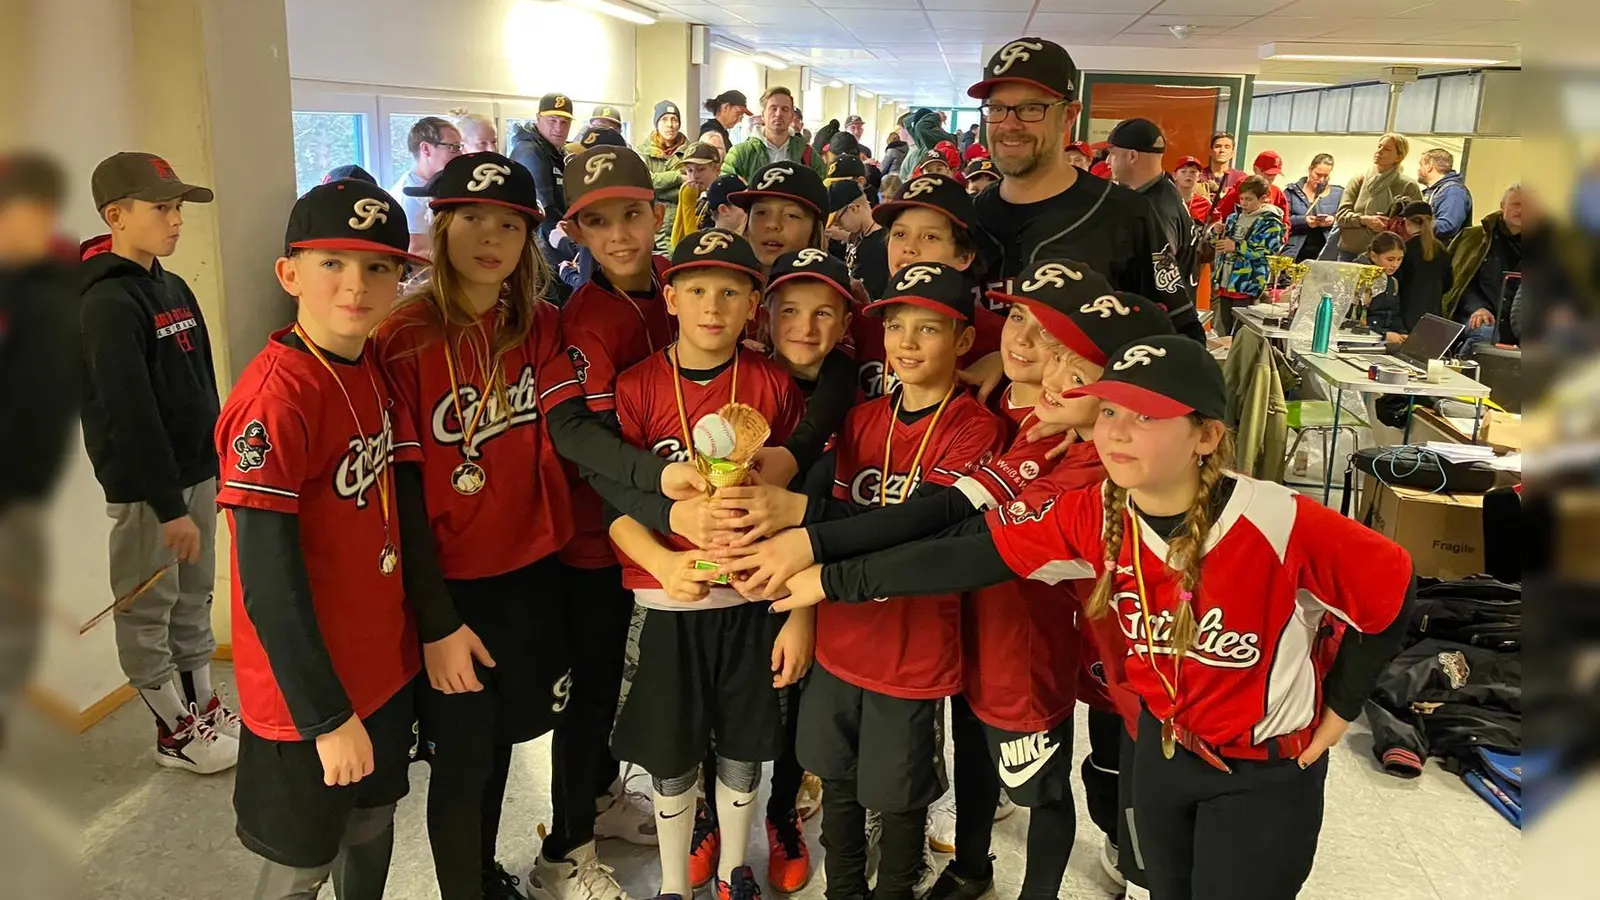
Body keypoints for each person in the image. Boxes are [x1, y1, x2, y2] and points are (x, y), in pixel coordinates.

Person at [769, 333, 1415, 900]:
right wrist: (828, 579)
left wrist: (1342, 708)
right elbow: (964, 558)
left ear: (1207, 436)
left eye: (1145, 415)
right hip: (1164, 752)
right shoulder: (1095, 510)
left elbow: (1392, 586)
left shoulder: (1279, 520)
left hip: (1266, 774)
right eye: (1108, 411)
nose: (1116, 431)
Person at [714, 263, 1178, 900]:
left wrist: (815, 552)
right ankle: (971, 866)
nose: (1034, 355)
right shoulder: (1029, 420)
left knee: (1040, 782)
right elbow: (949, 510)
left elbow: (953, 537)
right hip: (948, 624)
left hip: (1033, 639)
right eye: (1018, 319)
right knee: (967, 758)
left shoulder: (1073, 458)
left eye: (1068, 357)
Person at [381, 153, 705, 900]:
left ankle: (497, 872)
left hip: (532, 566)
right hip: (453, 582)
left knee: (504, 740)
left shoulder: (538, 323)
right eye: (471, 219)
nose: (490, 238)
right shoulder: (401, 335)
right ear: (441, 226)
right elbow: (398, 487)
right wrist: (430, 616)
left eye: (508, 224)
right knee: (465, 758)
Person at [217, 177, 430, 900]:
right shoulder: (275, 399)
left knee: (372, 824)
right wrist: (326, 716)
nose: (357, 284)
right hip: (308, 694)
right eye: (333, 262)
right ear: (290, 274)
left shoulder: (367, 364)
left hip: (381, 667)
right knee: (302, 860)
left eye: (378, 267)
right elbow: (266, 583)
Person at [604, 228, 810, 900]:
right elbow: (611, 504)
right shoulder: (634, 387)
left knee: (746, 744)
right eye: (695, 289)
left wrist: (797, 606)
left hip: (754, 600)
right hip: (669, 602)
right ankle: (671, 882)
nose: (712, 305)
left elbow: (803, 507)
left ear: (755, 302)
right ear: (669, 297)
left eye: (730, 290)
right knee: (671, 749)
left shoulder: (773, 386)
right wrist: (662, 567)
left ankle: (733, 872)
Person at [534, 145, 677, 900]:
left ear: (658, 212)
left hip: (656, 529)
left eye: (631, 214)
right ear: (577, 233)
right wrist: (665, 499)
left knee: (613, 690)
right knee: (591, 695)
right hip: (601, 535)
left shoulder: (675, 288)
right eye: (598, 221)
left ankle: (597, 800)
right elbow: (584, 441)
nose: (620, 234)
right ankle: (563, 851)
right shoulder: (587, 317)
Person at [80, 152, 236, 774]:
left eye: (177, 207)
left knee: (193, 597)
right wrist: (168, 506)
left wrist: (220, 461)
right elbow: (129, 413)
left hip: (198, 472)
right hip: (151, 489)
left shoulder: (172, 285)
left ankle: (203, 708)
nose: (175, 220)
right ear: (116, 216)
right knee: (148, 606)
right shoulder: (106, 305)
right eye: (160, 208)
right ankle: (173, 730)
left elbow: (203, 382)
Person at [967, 38, 1192, 342]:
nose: (1009, 124)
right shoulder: (965, 217)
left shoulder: (1126, 214)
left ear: (1069, 116)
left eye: (1031, 108)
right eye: (997, 108)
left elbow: (1180, 338)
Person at [1104, 118, 1204, 344]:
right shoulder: (1165, 191)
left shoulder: (1153, 208)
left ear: (1131, 156)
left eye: (1112, 153)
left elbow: (1157, 274)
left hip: (1158, 333)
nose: (1108, 161)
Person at [1444, 183, 1524, 346]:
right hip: (1477, 314)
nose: (1522, 211)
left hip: (1521, 321)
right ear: (1502, 206)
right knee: (1484, 333)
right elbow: (1458, 282)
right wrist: (1476, 308)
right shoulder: (1472, 238)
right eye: (1516, 205)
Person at [1327, 132, 1423, 261]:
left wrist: (1392, 223)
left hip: (1386, 255)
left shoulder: (1408, 186)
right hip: (1350, 251)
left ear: (1399, 157)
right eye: (1379, 146)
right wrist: (1364, 220)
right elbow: (1341, 216)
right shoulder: (1359, 180)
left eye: (1387, 149)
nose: (1379, 151)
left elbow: (1417, 223)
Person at [1211, 175, 1287, 336]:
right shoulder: (1233, 218)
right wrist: (1216, 233)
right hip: (1226, 282)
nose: (1244, 203)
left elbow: (1268, 251)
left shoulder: (1271, 223)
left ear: (1263, 198)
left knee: (1242, 331)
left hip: (1248, 284)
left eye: (1249, 199)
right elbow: (1219, 245)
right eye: (1242, 198)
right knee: (1223, 329)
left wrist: (1237, 247)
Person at [510, 93, 576, 252]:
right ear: (538, 118)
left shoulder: (555, 152)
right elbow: (544, 214)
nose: (559, 128)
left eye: (564, 122)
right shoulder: (531, 153)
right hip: (542, 249)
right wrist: (568, 248)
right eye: (552, 121)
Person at [391, 117, 464, 257]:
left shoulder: (440, 184)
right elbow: (417, 252)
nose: (460, 154)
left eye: (459, 147)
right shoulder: (410, 197)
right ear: (426, 149)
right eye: (453, 147)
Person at [721, 88, 828, 183]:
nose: (778, 114)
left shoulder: (807, 154)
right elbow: (725, 190)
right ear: (763, 115)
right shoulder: (740, 153)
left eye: (785, 109)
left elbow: (822, 192)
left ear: (791, 116)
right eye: (773, 108)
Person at [638, 100, 691, 252]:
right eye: (664, 119)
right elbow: (647, 182)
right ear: (656, 123)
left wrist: (661, 189)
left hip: (682, 219)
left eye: (674, 119)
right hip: (653, 221)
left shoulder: (690, 152)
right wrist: (679, 178)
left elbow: (694, 186)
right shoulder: (643, 152)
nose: (670, 125)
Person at [1284, 153, 1341, 263]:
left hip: (1326, 253)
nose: (1321, 180)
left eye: (1326, 176)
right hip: (1294, 251)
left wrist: (1333, 220)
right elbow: (1283, 221)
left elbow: (1344, 221)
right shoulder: (1291, 192)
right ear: (1310, 170)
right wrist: (1303, 221)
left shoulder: (1338, 193)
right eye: (1318, 175)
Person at [1210, 151, 1289, 228]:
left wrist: (1282, 237)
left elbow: (1285, 222)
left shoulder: (1277, 192)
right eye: (1267, 173)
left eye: (1274, 174)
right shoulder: (1242, 185)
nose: (1270, 178)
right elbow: (1224, 212)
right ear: (1255, 169)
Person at [670, 141, 724, 249]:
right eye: (689, 170)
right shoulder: (699, 199)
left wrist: (688, 206)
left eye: (701, 169)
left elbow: (696, 246)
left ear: (717, 169)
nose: (694, 176)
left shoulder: (721, 202)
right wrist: (683, 201)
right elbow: (676, 244)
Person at [1359, 231, 1410, 341]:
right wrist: (1383, 335)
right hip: (1363, 340)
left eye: (1399, 259)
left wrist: (1402, 333)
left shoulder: (1393, 282)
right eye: (1390, 259)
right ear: (1373, 256)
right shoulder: (1359, 279)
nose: (1395, 265)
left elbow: (1394, 316)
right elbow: (1353, 321)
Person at [1417, 148, 1473, 243]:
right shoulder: (1434, 191)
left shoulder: (1453, 192)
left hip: (1444, 253)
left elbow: (1448, 226)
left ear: (1429, 166)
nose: (1418, 170)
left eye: (1421, 165)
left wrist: (1416, 225)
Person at [826, 179, 874, 262]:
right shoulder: (862, 237)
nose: (839, 228)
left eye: (838, 221)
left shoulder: (874, 247)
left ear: (853, 209)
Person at [1198, 131, 1245, 200]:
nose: (1222, 150)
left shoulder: (1240, 178)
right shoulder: (1199, 176)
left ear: (1232, 153)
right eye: (1218, 146)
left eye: (1227, 147)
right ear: (1210, 151)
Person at [1171, 156, 1212, 223]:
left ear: (1199, 177)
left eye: (1193, 172)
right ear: (1174, 176)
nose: (1188, 175)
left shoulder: (1204, 203)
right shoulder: (1165, 201)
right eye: (1183, 171)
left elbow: (1216, 221)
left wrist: (1215, 226)